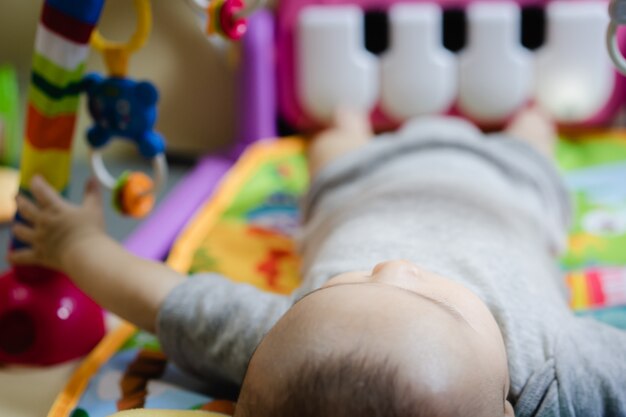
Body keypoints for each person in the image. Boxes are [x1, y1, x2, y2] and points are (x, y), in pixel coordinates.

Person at [9, 107, 626, 417]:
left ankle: (350, 116)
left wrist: (76, 245)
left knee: (333, 134)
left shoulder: (288, 346)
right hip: (511, 185)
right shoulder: (554, 371)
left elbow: (161, 296)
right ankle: (529, 117)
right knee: (536, 124)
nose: (395, 268)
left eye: (349, 283)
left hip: (359, 181)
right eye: (435, 303)